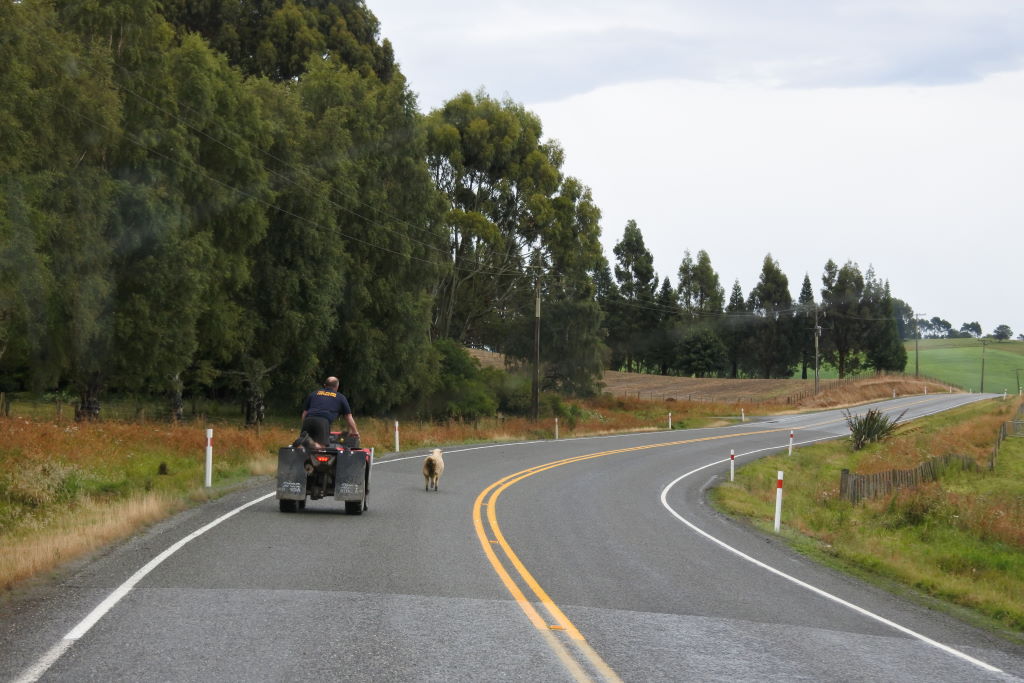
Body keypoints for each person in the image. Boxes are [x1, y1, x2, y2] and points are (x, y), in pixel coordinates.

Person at [300, 376, 359, 448]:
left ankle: (304, 443)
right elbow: (348, 417)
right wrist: (355, 432)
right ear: (337, 387)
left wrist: (304, 425)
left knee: (304, 448)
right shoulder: (340, 397)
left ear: (325, 385)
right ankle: (310, 443)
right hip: (322, 422)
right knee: (322, 447)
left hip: (308, 420)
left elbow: (304, 413)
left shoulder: (313, 394)